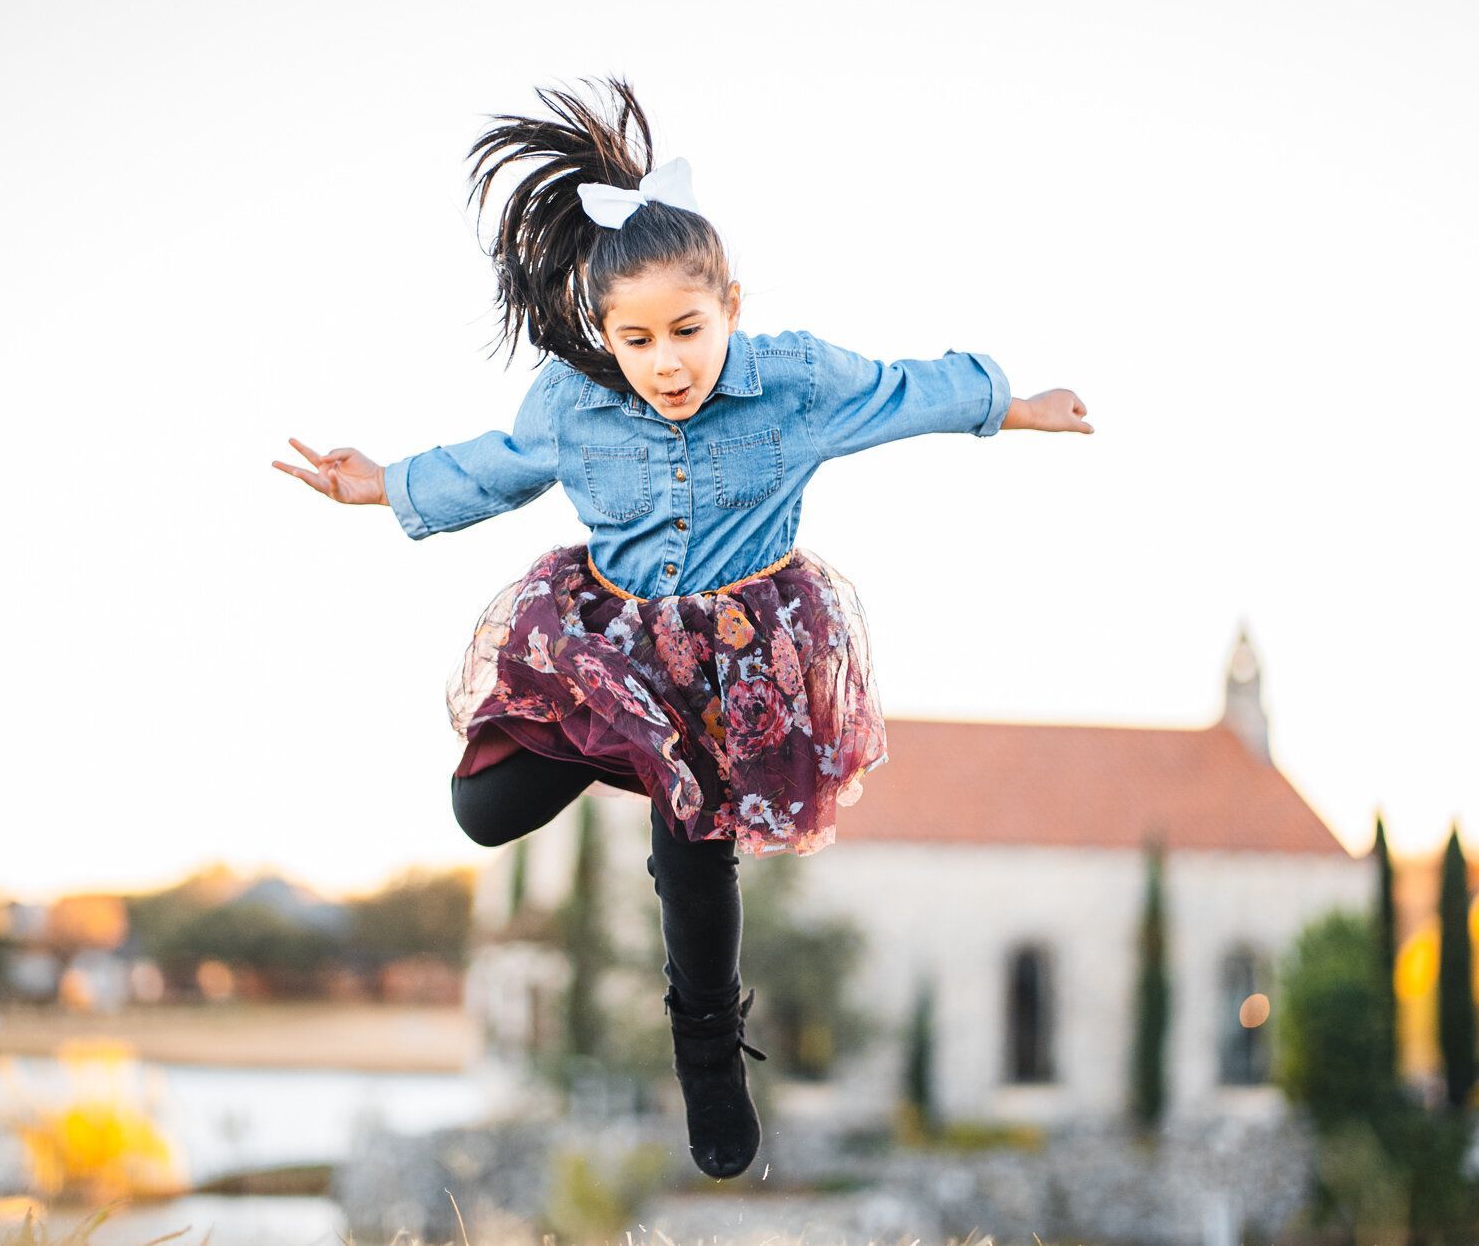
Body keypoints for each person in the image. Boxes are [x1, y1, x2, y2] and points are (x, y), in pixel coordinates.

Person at [274, 77, 1093, 1178]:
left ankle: (708, 1050)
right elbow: (500, 466)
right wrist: (384, 482)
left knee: (694, 844)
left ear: (730, 307)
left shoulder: (792, 383)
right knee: (482, 813)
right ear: (604, 333)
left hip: (735, 668)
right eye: (638, 339)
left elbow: (906, 390)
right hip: (609, 647)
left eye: (688, 332)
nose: (667, 362)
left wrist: (1016, 405)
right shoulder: (576, 405)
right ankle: (622, 751)